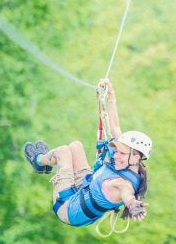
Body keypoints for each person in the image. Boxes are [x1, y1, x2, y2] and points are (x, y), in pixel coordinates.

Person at [23, 79, 151, 227]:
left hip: (69, 208)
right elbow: (114, 126)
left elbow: (128, 196)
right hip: (84, 187)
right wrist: (111, 95)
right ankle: (47, 162)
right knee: (75, 146)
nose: (115, 156)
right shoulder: (128, 161)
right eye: (117, 151)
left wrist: (133, 205)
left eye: (121, 154)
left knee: (63, 152)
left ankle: (38, 160)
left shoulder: (124, 184)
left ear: (136, 157)